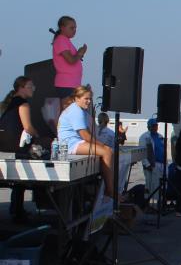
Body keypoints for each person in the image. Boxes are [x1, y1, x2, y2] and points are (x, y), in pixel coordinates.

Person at [1, 77, 48, 220]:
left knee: (17, 180)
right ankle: (18, 211)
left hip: (5, 146)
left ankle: (16, 209)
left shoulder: (9, 102)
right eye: (30, 86)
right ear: (21, 88)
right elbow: (27, 127)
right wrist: (38, 137)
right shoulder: (23, 104)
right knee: (22, 178)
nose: (33, 89)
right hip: (16, 147)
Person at [56, 85, 115, 198]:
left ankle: (108, 185)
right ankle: (110, 190)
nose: (89, 101)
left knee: (106, 151)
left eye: (90, 99)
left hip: (74, 142)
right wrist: (102, 145)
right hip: (71, 144)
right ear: (77, 98)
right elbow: (85, 136)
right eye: (86, 99)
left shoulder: (78, 110)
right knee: (107, 152)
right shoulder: (76, 111)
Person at [50, 16, 86, 97]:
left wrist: (79, 54)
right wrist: (79, 53)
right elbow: (71, 60)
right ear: (62, 28)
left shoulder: (65, 41)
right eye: (71, 28)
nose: (74, 30)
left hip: (72, 84)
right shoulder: (61, 40)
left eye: (75, 28)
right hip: (66, 84)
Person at [139, 118, 166, 208]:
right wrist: (147, 165)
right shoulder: (144, 137)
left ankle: (159, 204)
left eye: (156, 125)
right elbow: (142, 153)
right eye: (153, 126)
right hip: (151, 165)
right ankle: (149, 205)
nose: (155, 127)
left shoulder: (160, 136)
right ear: (148, 127)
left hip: (161, 164)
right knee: (150, 185)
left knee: (160, 186)